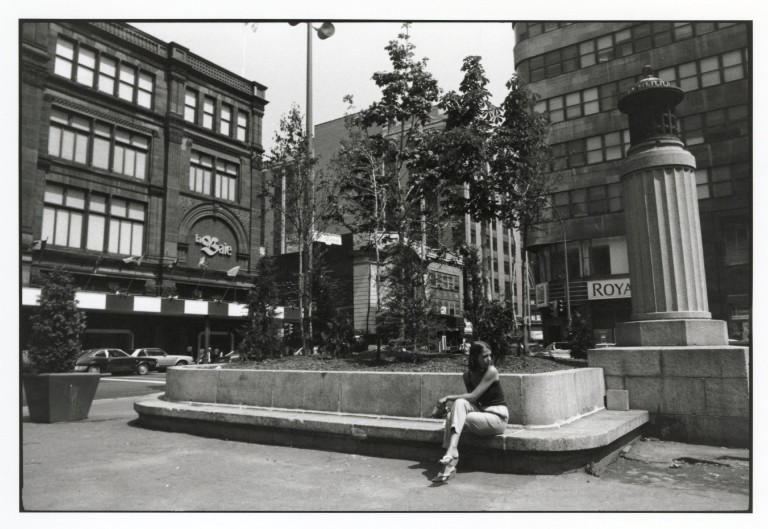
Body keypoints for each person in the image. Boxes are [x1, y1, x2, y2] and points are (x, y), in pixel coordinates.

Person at [433, 341, 509, 483]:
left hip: (497, 419)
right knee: (455, 410)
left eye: (489, 355)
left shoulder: (491, 371)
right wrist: (447, 410)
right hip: (480, 415)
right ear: (475, 358)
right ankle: (451, 455)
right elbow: (470, 402)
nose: (489, 359)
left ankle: (451, 458)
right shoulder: (467, 376)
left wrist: (448, 397)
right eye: (485, 356)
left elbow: (473, 396)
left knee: (456, 414)